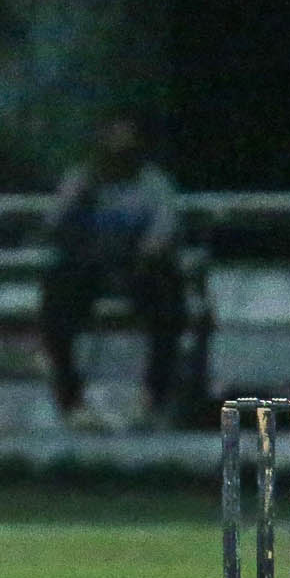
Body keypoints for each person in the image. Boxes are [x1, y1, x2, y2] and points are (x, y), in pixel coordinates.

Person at [41, 116, 189, 432]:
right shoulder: (80, 180)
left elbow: (163, 232)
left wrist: (142, 255)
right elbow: (54, 225)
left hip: (137, 266)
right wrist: (81, 202)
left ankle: (154, 399)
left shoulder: (154, 185)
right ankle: (72, 402)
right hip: (89, 266)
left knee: (168, 301)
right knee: (56, 300)